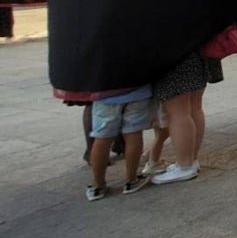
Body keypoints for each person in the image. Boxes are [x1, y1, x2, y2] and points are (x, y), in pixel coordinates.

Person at [150, 49, 223, 185]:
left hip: (176, 57)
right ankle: (191, 159)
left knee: (177, 111)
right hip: (200, 54)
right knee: (195, 107)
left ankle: (185, 165)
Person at [86, 84, 152, 200]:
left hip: (105, 94)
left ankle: (98, 185)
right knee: (133, 134)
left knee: (102, 138)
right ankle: (131, 180)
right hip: (138, 91)